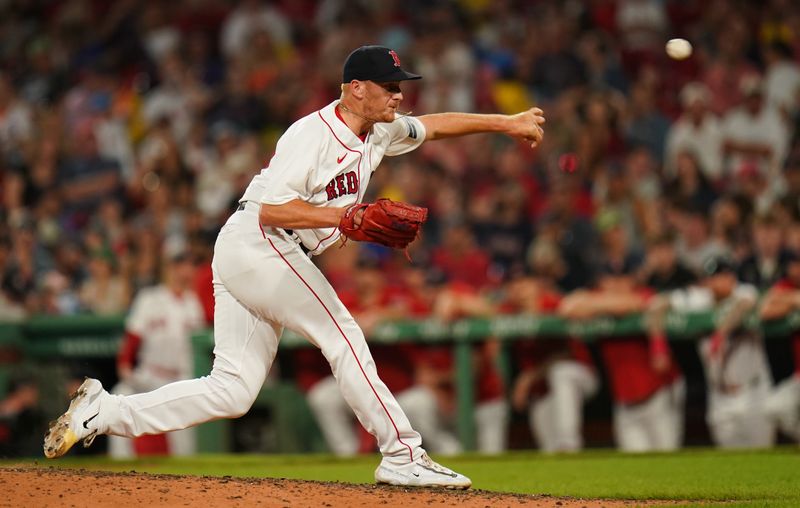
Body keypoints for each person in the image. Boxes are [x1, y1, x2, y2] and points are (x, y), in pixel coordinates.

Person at [43, 45, 545, 489]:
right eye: (389, 86)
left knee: (232, 390)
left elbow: (433, 125)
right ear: (354, 89)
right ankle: (403, 453)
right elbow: (272, 209)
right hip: (261, 241)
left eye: (400, 86)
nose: (398, 95)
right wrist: (344, 216)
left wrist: (507, 123)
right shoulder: (313, 134)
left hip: (261, 252)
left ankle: (105, 411)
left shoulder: (380, 131)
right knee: (343, 334)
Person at [108, 250, 205, 458]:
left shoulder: (193, 304)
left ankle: (188, 485)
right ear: (170, 268)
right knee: (118, 398)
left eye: (188, 265)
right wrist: (125, 369)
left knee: (185, 447)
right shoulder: (149, 299)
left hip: (180, 379)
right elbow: (131, 340)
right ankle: (116, 469)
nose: (184, 270)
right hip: (150, 376)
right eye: (179, 265)